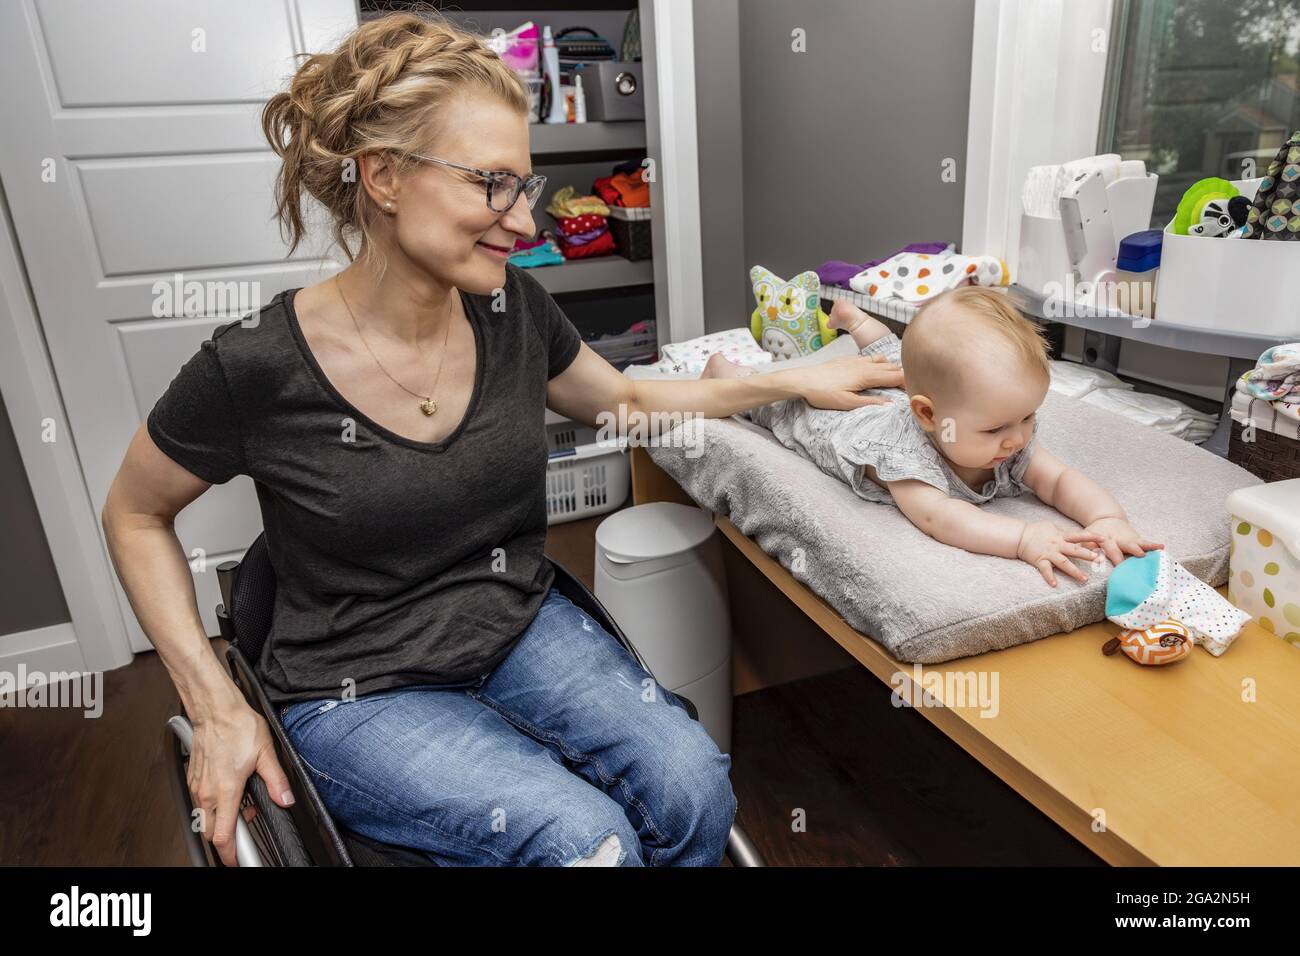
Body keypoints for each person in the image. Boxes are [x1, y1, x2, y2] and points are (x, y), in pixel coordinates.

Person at [99, 12, 904, 867]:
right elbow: (133, 515)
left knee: (695, 790)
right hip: (358, 687)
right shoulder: (255, 366)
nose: (525, 223)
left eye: (523, 185)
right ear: (383, 175)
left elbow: (625, 397)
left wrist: (790, 380)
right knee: (584, 843)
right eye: (493, 184)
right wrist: (216, 700)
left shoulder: (509, 310)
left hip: (513, 626)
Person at [708, 287, 1161, 587]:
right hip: (847, 422)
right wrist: (1023, 538)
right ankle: (726, 372)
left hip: (914, 396)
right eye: (996, 428)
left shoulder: (1008, 435)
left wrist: (1105, 518)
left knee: (895, 368)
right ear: (929, 415)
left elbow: (1059, 480)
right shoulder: (907, 462)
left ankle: (858, 322)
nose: (1017, 438)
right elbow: (941, 519)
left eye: (1027, 417)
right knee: (783, 407)